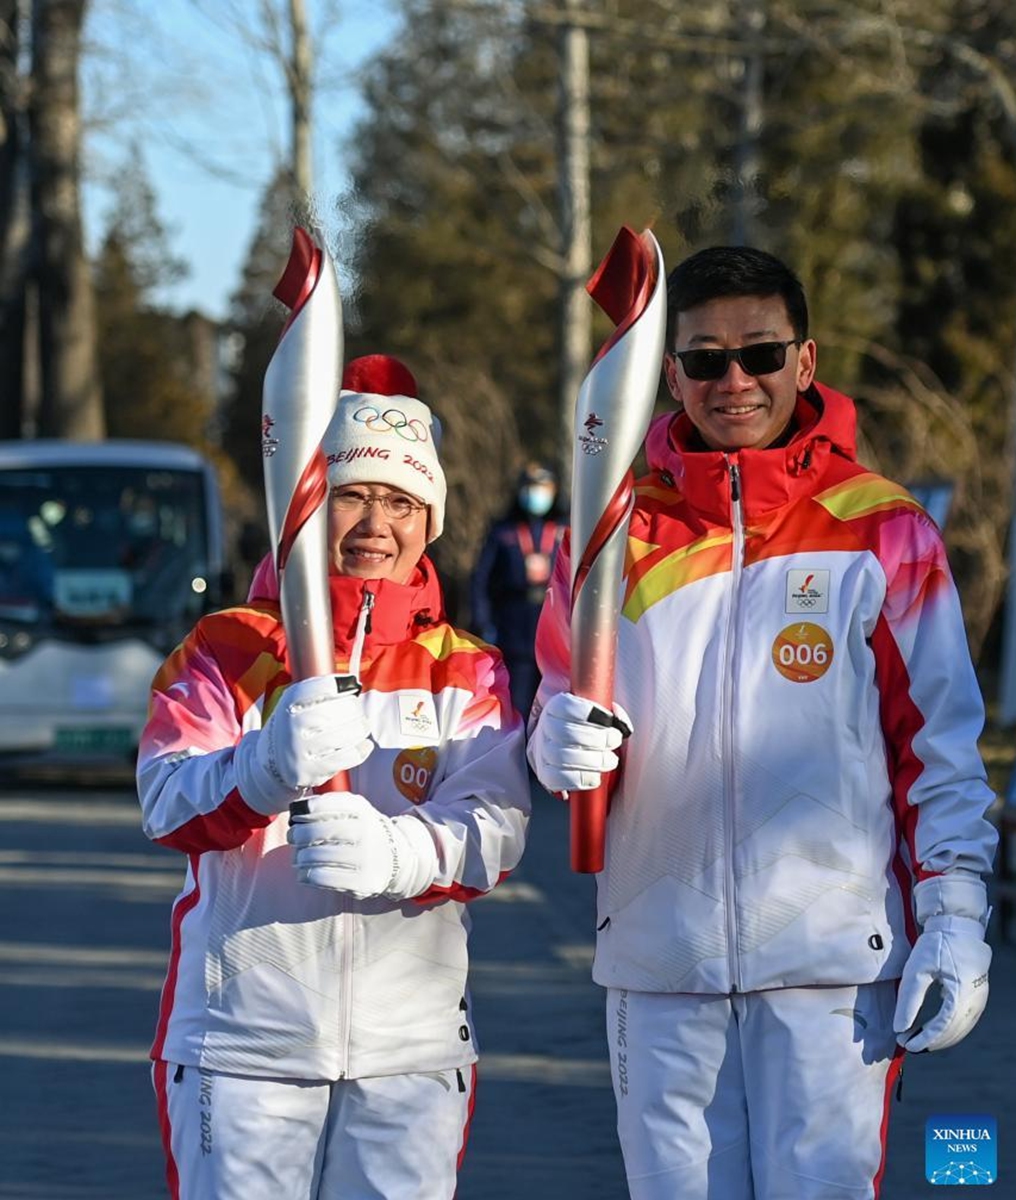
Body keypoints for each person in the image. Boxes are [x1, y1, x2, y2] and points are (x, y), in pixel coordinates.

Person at [527, 246, 997, 1199]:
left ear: (806, 361)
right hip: (659, 965)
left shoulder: (883, 530)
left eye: (760, 354)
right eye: (704, 359)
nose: (733, 380)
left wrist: (955, 916)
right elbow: (558, 705)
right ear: (671, 377)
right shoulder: (612, 537)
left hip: (832, 965)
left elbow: (937, 750)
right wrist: (553, 743)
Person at [137, 354, 531, 1199]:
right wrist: (268, 764)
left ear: (430, 521)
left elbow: (496, 827)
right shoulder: (225, 650)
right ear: (308, 508)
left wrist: (398, 855)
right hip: (240, 1043)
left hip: (412, 1049)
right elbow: (168, 801)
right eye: (351, 494)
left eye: (400, 501)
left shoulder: (467, 669)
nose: (374, 523)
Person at [470, 461, 565, 719]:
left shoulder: (565, 529)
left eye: (542, 487)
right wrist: (484, 623)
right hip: (514, 631)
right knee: (516, 706)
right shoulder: (504, 530)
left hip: (554, 627)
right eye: (531, 487)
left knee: (554, 707)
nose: (536, 494)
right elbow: (481, 581)